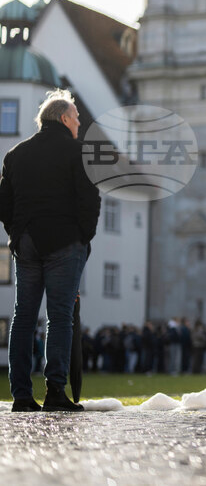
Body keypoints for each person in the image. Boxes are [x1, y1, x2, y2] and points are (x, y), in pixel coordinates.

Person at [0, 89, 100, 412]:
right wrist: (83, 239)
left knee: (23, 318)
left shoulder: (16, 155)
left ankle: (21, 395)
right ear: (63, 118)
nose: (79, 123)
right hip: (64, 242)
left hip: (26, 242)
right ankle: (55, 391)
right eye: (76, 118)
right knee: (59, 318)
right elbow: (90, 201)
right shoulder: (78, 153)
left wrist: (16, 234)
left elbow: (5, 203)